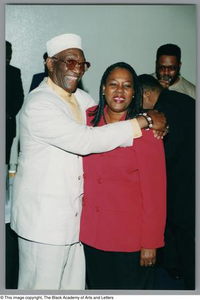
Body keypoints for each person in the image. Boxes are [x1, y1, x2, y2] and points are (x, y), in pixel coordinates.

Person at [10, 34, 166, 290]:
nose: (76, 69)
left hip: (76, 227)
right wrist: (144, 121)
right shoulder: (39, 104)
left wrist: (150, 117)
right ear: (50, 64)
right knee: (40, 289)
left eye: (81, 64)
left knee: (74, 290)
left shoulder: (83, 101)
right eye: (69, 62)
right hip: (44, 225)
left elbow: (112, 117)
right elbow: (87, 140)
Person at [79, 62, 167, 290]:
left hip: (130, 241)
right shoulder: (86, 122)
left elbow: (155, 194)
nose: (119, 91)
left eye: (127, 86)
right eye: (113, 84)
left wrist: (151, 242)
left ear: (134, 92)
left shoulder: (147, 131)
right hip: (92, 235)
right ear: (102, 89)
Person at [138, 74, 195, 290]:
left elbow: (162, 156)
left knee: (189, 249)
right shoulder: (186, 100)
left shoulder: (162, 112)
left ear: (147, 94)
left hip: (184, 190)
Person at [6, 40, 24, 289]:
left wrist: (7, 112)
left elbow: (18, 99)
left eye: (9, 53)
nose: (7, 56)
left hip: (5, 125)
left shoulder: (14, 72)